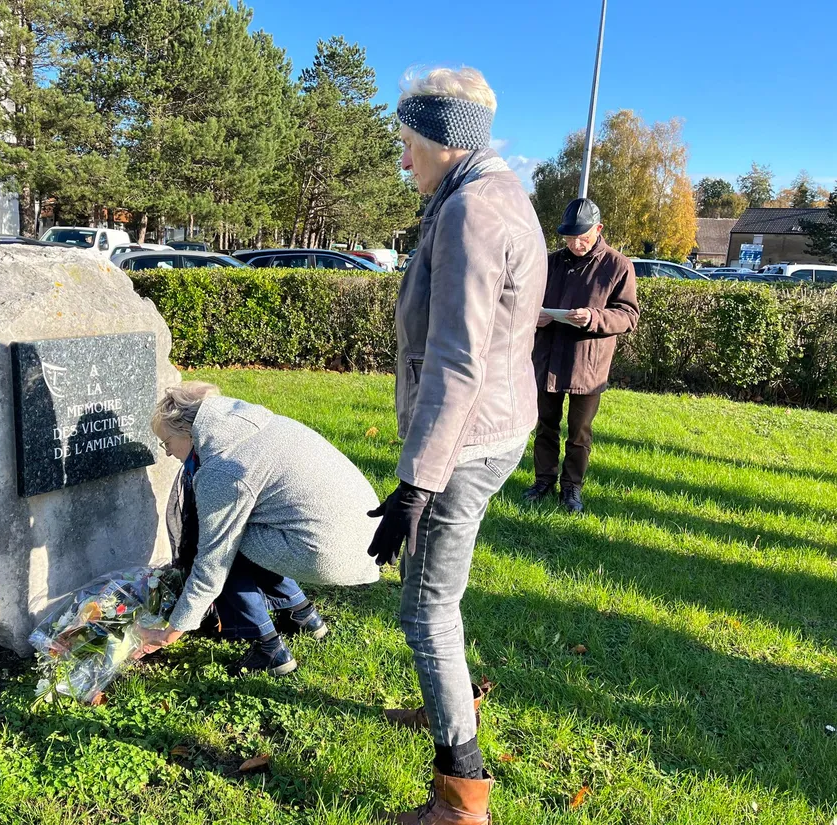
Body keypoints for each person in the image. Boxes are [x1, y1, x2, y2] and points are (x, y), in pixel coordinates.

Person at [367, 66, 547, 824]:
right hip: (492, 429)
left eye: (410, 141)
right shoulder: (494, 194)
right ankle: (450, 701)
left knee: (425, 611)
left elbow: (456, 361)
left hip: (465, 443)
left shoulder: (472, 210)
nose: (404, 157)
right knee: (438, 598)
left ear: (446, 138)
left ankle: (461, 797)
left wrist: (417, 483)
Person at [138, 382, 380, 676]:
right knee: (243, 526)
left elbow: (212, 566)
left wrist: (170, 632)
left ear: (187, 432)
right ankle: (302, 615)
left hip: (334, 553)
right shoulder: (248, 423)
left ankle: (269, 649)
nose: (167, 453)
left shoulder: (222, 468)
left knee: (223, 544)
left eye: (166, 442)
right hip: (367, 537)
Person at [522, 197, 639, 514]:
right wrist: (534, 315)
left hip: (587, 364)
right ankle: (543, 481)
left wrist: (593, 318)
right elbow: (525, 300)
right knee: (545, 425)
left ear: (598, 230)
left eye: (582, 238)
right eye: (569, 238)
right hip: (547, 359)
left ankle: (571, 488)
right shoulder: (549, 263)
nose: (575, 244)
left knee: (579, 433)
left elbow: (628, 316)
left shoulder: (618, 266)